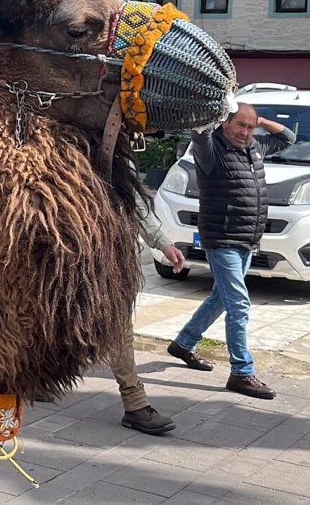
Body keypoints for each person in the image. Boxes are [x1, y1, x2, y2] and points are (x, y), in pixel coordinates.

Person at [165, 102, 294, 400]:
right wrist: (220, 110)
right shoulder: (210, 150)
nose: (246, 132)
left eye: (251, 127)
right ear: (225, 123)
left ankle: (184, 343)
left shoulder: (255, 146)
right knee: (239, 304)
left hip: (246, 238)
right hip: (221, 238)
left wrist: (258, 118)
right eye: (241, 125)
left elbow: (288, 138)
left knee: (221, 298)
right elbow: (198, 131)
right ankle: (241, 372)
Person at [108, 192, 184, 434]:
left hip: (111, 257)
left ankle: (135, 403)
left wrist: (163, 242)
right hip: (66, 251)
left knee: (119, 327)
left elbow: (133, 199)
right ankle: (38, 379)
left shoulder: (118, 156)